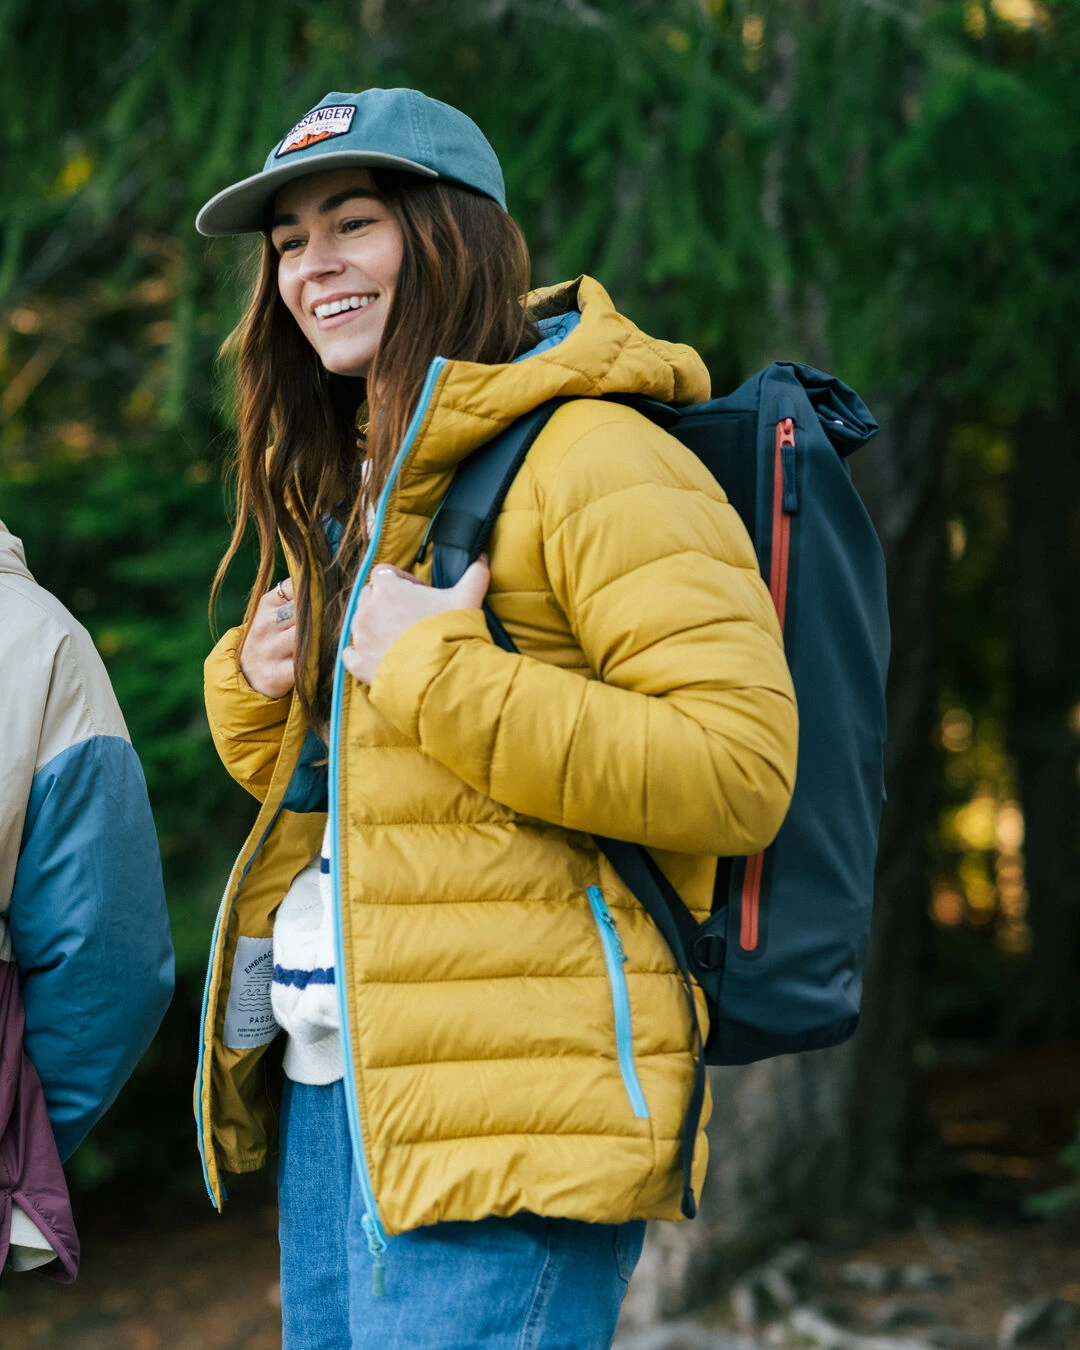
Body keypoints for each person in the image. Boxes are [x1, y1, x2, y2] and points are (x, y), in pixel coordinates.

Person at [195, 87, 798, 1348]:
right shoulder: (365, 481)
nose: (314, 268)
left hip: (520, 1094)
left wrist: (438, 674)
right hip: (347, 1085)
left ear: (451, 235)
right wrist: (257, 695)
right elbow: (393, 800)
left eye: (353, 223)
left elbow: (737, 769)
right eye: (290, 241)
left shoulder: (592, 457)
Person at [0, 519, 173, 1279]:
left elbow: (109, 970)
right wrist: (18, 1147)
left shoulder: (35, 643)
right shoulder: (35, 639)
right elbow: (111, 971)